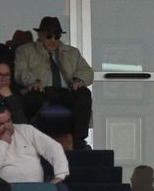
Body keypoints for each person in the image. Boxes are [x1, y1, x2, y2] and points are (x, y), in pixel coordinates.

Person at [14, 15, 94, 146]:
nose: (53, 40)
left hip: (66, 92)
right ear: (40, 35)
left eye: (57, 36)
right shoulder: (26, 51)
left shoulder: (72, 52)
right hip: (42, 91)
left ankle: (79, 140)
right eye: (49, 36)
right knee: (32, 97)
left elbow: (87, 71)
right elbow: (21, 71)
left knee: (84, 94)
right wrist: (32, 82)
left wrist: (79, 79)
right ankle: (32, 138)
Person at [0, 105, 70, 191]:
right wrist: (3, 143)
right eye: (1, 124)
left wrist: (60, 175)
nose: (7, 126)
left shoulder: (27, 130)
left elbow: (53, 148)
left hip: (38, 188)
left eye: (9, 121)